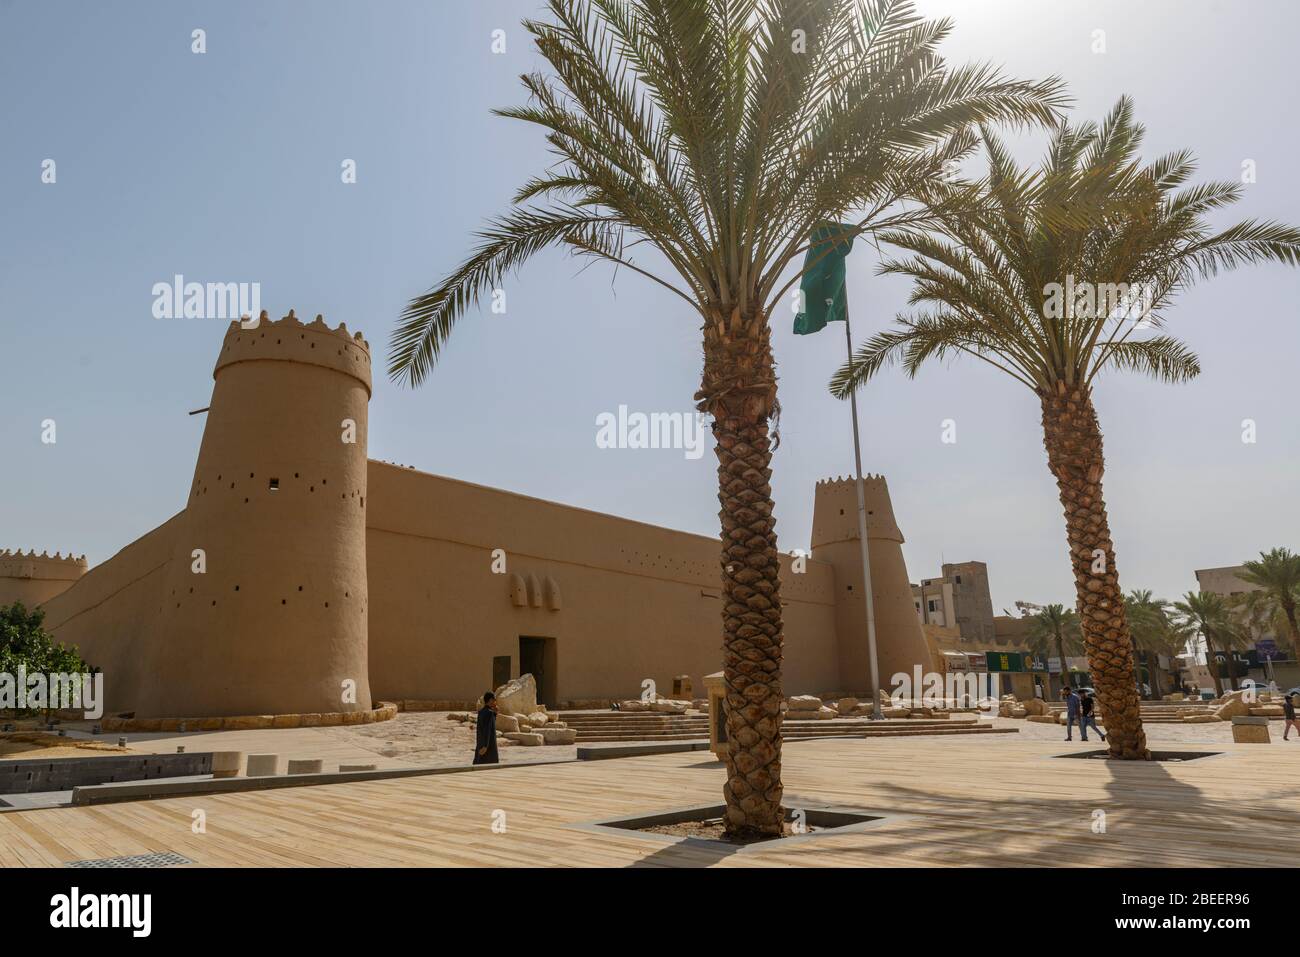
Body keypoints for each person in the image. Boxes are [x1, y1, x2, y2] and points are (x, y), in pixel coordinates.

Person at [474, 691, 499, 764]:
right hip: (489, 746)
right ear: (490, 700)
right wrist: (485, 746)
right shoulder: (489, 713)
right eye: (494, 700)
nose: (495, 702)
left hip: (481, 742)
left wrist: (495, 714)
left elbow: (479, 729)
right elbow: (488, 730)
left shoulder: (481, 712)